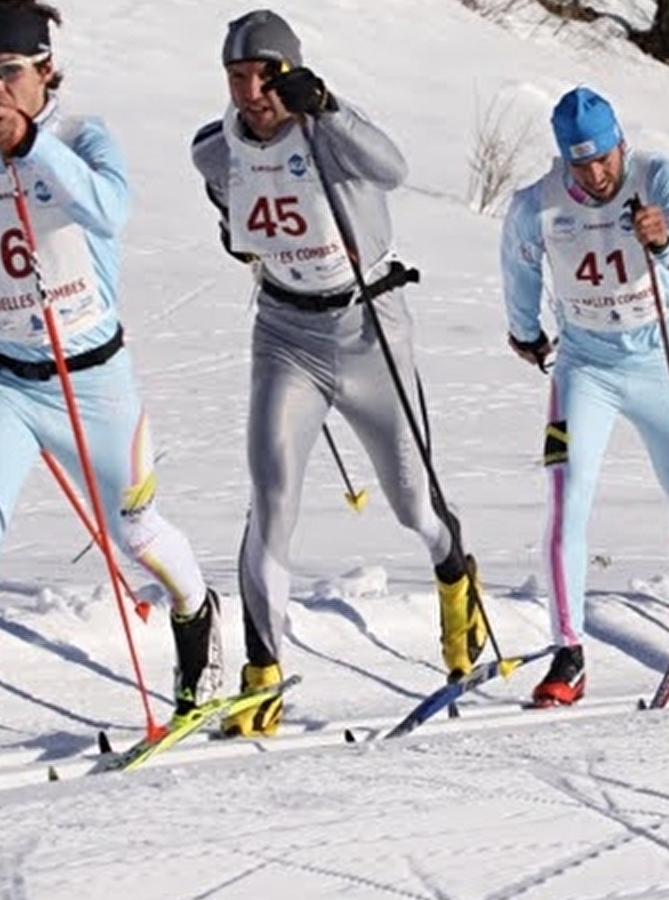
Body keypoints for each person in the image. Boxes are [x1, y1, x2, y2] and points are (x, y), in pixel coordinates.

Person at [0, 0, 219, 775]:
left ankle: (197, 626)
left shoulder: (83, 139)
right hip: (1, 380)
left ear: (46, 71)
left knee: (137, 532)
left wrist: (32, 153)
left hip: (93, 381)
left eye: (9, 73)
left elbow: (107, 210)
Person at [190, 9, 487, 735]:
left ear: (291, 73)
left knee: (412, 503)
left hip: (368, 330)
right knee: (272, 497)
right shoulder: (213, 149)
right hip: (285, 333)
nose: (253, 91)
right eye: (238, 78)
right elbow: (228, 201)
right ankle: (261, 678)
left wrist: (328, 106)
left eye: (267, 75)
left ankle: (455, 579)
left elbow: (394, 169)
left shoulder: (328, 132)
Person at [501, 86, 669, 707]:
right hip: (585, 365)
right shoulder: (536, 206)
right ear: (564, 161)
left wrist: (666, 245)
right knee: (566, 501)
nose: (598, 174)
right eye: (583, 164)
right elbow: (519, 271)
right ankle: (568, 652)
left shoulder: (661, 180)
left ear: (622, 145)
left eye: (606, 159)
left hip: (661, 357)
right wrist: (525, 332)